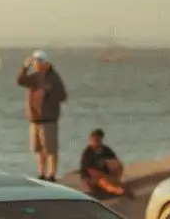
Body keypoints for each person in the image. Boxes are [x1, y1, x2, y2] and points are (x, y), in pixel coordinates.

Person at [16, 50, 68, 179]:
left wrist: (49, 92)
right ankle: (42, 173)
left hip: (49, 119)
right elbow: (20, 81)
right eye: (35, 62)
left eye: (39, 61)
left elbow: (63, 96)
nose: (37, 64)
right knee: (38, 149)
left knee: (50, 148)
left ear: (45, 62)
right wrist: (24, 67)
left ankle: (52, 173)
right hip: (35, 119)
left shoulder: (54, 77)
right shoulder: (34, 77)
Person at [78, 129, 127, 197]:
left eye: (98, 140)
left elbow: (116, 162)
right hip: (93, 177)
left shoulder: (106, 149)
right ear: (91, 140)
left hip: (105, 174)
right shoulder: (88, 153)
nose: (96, 142)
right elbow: (89, 170)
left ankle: (116, 186)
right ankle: (117, 190)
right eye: (94, 140)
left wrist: (111, 167)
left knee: (115, 165)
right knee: (103, 181)